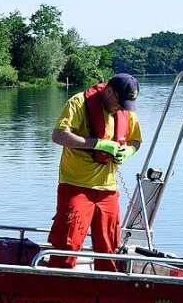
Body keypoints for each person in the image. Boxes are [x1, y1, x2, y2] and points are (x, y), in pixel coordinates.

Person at [48, 73, 142, 270]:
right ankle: (58, 288)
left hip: (108, 190)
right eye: (119, 102)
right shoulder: (79, 102)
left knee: (109, 247)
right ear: (109, 91)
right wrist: (96, 144)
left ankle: (106, 291)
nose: (121, 108)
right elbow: (58, 135)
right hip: (75, 186)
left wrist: (128, 152)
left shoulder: (125, 110)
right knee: (68, 243)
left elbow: (135, 140)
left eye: (127, 105)